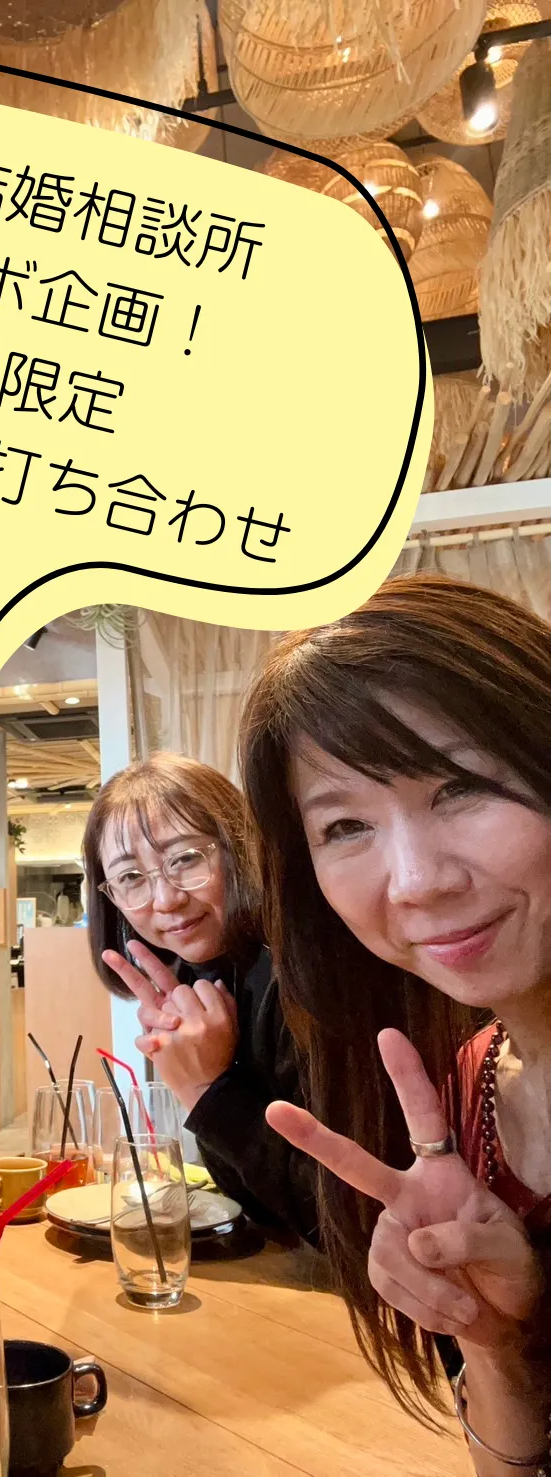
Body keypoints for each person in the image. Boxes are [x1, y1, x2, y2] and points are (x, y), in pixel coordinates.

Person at [239, 574, 551, 1472]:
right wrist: (499, 1338)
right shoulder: (464, 1093)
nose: (416, 881)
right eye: (345, 826)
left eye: (461, 785)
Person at [83, 753, 318, 1244]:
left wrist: (204, 1089)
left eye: (186, 859)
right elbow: (252, 1201)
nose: (165, 899)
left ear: (238, 846)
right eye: (131, 878)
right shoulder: (194, 978)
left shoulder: (303, 971)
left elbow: (330, 1214)